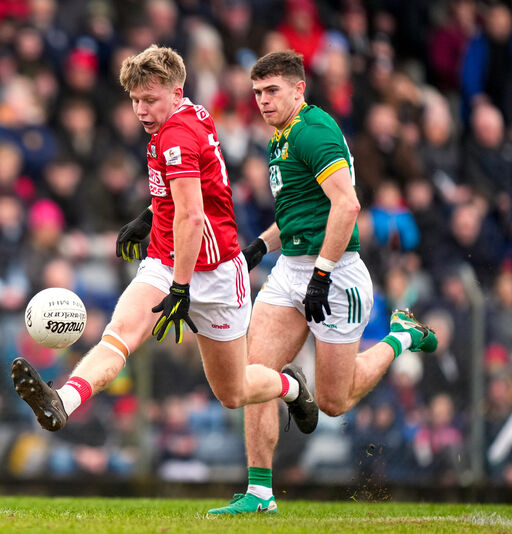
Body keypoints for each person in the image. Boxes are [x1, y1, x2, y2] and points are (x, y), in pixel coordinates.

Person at [12, 45, 318, 454]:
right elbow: (186, 192)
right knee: (119, 336)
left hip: (218, 272)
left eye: (149, 100)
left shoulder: (176, 134)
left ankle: (291, 386)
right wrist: (149, 217)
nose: (140, 109)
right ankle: (62, 401)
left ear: (176, 93)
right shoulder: (188, 114)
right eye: (135, 100)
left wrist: (181, 288)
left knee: (234, 391)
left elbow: (193, 217)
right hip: (166, 259)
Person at [197, 50, 435, 514]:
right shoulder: (280, 137)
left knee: (333, 401)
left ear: (298, 89)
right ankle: (260, 493)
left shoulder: (313, 131)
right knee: (256, 372)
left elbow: (347, 207)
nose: (263, 101)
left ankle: (402, 336)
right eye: (257, 93)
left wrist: (322, 275)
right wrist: (261, 247)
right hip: (292, 272)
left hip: (337, 272)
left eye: (272, 91)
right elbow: (300, 216)